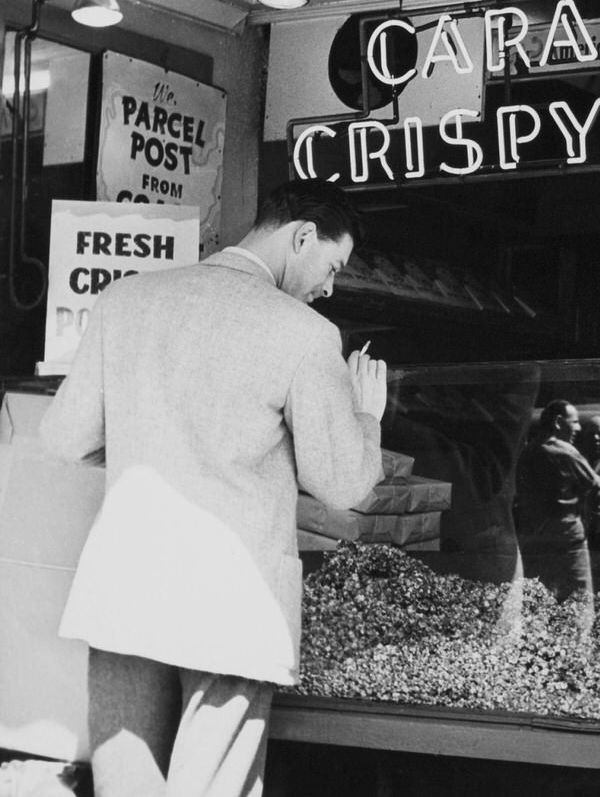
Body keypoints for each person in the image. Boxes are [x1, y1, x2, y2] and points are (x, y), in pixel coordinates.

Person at [39, 179, 388, 797]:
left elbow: (64, 438)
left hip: (124, 589)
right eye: (332, 265)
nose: (329, 287)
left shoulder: (126, 299)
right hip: (234, 603)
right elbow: (342, 484)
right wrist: (367, 415)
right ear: (301, 236)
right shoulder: (304, 333)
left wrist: (139, 442)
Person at [513, 399, 600, 618]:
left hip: (536, 538)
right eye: (575, 422)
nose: (579, 428)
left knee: (540, 600)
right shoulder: (565, 452)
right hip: (569, 537)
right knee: (580, 601)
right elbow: (595, 484)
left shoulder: (528, 452)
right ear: (559, 422)